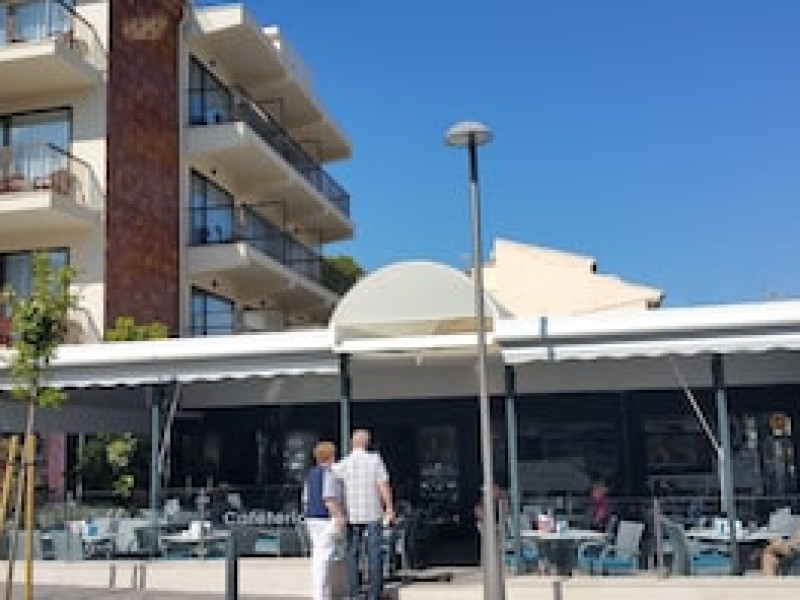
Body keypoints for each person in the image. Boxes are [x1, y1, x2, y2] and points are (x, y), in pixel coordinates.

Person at [334, 429, 394, 600]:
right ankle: (375, 592)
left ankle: (354, 592)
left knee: (352, 553)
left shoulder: (343, 464)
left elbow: (335, 488)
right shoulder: (375, 460)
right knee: (374, 552)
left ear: (352, 443)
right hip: (372, 512)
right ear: (367, 443)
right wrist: (389, 507)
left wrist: (339, 512)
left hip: (352, 513)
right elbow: (383, 485)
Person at [303, 441, 346, 600]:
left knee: (318, 554)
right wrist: (339, 517)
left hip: (311, 517)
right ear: (331, 456)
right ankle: (320, 594)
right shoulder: (330, 473)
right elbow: (329, 498)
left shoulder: (310, 474)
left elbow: (305, 498)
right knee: (324, 556)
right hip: (325, 518)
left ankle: (322, 593)